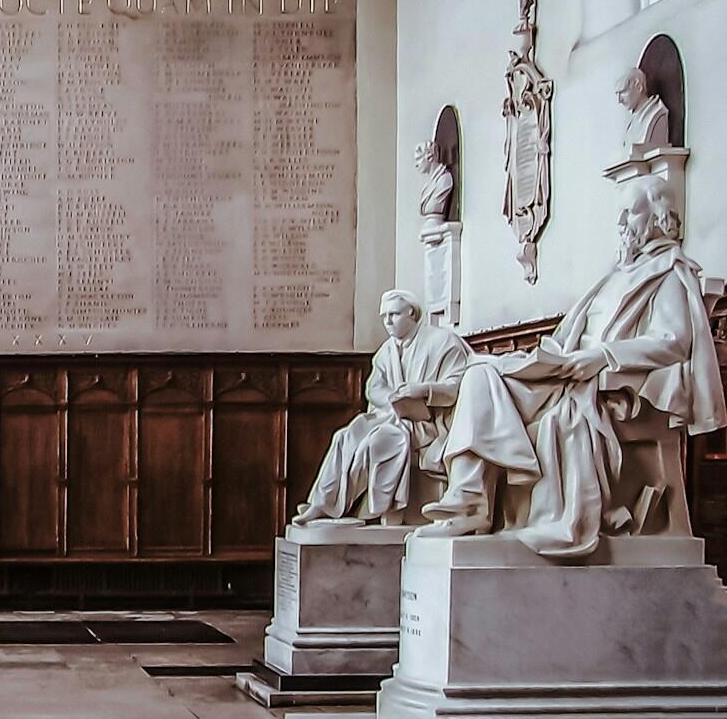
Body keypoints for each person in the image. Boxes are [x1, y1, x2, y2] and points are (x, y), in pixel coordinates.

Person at [419, 176, 724, 556]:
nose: (621, 224)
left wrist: (602, 356)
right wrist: (542, 360)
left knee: (553, 419)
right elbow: (567, 336)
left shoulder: (668, 274)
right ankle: (469, 502)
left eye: (630, 213)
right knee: (480, 373)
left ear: (656, 218)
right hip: (568, 372)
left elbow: (673, 342)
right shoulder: (615, 274)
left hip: (610, 385)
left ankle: (502, 506)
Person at [293, 289, 471, 526]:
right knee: (344, 437)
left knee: (381, 441)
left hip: (427, 424)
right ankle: (322, 504)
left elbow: (458, 386)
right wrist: (393, 399)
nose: (387, 321)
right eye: (384, 316)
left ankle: (385, 515)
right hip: (391, 416)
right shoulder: (387, 350)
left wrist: (424, 390)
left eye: (394, 314)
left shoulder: (442, 342)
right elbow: (373, 388)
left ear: (411, 312)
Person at [615, 67, 672, 151]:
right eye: (618, 94)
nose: (619, 100)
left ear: (638, 87)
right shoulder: (632, 121)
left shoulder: (656, 113)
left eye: (623, 92)